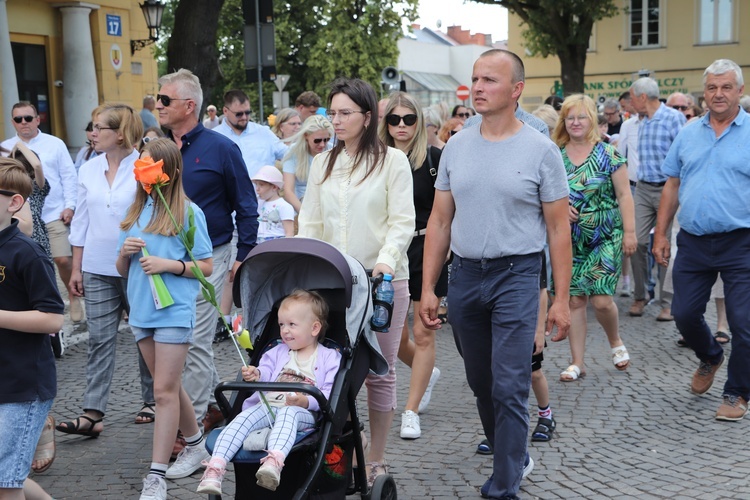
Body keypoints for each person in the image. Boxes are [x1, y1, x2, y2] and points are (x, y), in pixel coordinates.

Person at [419, 49, 572, 499]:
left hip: (518, 274)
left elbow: (559, 229)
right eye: (475, 79)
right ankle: (515, 453)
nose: (478, 88)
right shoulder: (457, 147)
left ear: (516, 90)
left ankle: (503, 484)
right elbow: (440, 221)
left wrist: (560, 298)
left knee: (509, 383)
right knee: (481, 382)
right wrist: (429, 287)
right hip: (465, 275)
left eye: (489, 80)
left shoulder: (542, 151)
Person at [298, 77, 415, 485]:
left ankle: (377, 458)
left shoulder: (392, 161)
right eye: (333, 113)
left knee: (379, 371)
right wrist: (306, 271)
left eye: (345, 113)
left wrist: (383, 262)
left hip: (383, 282)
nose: (336, 120)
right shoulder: (322, 163)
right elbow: (310, 222)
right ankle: (339, 453)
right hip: (336, 284)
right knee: (334, 372)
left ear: (367, 117)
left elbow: (402, 223)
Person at [155, 69, 258, 459]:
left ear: (189, 105)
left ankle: (192, 429)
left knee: (192, 339)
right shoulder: (156, 150)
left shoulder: (221, 148)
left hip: (209, 256)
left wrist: (242, 256)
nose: (158, 105)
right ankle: (216, 405)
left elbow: (246, 206)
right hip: (165, 259)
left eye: (165, 100)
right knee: (175, 338)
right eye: (158, 99)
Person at [653, 59, 750, 422]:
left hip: (742, 241)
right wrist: (661, 233)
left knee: (744, 323)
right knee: (683, 313)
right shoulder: (688, 132)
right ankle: (710, 355)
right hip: (692, 240)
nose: (719, 94)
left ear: (739, 90)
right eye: (712, 87)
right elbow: (672, 184)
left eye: (726, 87)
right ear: (704, 92)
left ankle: (737, 392)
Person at [117, 139, 214, 500]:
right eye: (139, 167)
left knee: (162, 391)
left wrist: (169, 265)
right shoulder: (133, 212)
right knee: (168, 385)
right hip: (141, 312)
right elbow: (120, 268)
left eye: (148, 167)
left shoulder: (188, 213)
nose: (141, 173)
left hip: (173, 311)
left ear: (167, 172)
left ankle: (155, 475)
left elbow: (206, 267)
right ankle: (196, 444)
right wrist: (124, 254)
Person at [57, 103, 156, 436]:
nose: (93, 133)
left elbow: (157, 215)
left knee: (145, 333)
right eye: (92, 126)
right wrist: (76, 269)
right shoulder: (88, 168)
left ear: (121, 132)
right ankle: (93, 412)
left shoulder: (144, 166)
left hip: (137, 264)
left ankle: (152, 400)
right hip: (97, 266)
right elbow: (81, 222)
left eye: (100, 127)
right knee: (100, 339)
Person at [196, 290, 341, 494]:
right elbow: (266, 372)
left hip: (303, 412)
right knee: (242, 419)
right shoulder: (276, 351)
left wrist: (306, 401)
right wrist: (256, 374)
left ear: (314, 328)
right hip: (269, 404)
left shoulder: (328, 357)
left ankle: (273, 462)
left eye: (292, 324)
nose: (285, 330)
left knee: (288, 413)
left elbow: (327, 393)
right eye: (281, 324)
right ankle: (215, 468)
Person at [551, 94, 636, 381]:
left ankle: (615, 340)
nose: (575, 122)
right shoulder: (554, 155)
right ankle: (577, 362)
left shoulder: (609, 154)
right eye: (570, 117)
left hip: (605, 235)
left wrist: (630, 232)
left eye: (581, 117)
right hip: (568, 240)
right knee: (575, 301)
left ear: (592, 120)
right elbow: (543, 195)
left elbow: (625, 196)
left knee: (600, 300)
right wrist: (560, 210)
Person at [378, 91, 445, 440]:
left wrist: (446, 249)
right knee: (393, 335)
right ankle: (426, 371)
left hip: (425, 247)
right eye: (394, 119)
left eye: (409, 119)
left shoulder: (434, 158)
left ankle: (410, 410)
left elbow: (449, 211)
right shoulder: (375, 159)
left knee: (423, 331)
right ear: (384, 123)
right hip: (388, 252)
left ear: (419, 122)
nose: (401, 126)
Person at [0, 158, 64, 500]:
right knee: (6, 474)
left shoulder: (27, 253)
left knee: (5, 481)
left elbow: (53, 319)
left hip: (23, 385)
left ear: (14, 202)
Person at [1, 101, 80, 323]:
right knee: (27, 266)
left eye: (28, 118)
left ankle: (73, 297)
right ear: (12, 122)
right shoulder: (5, 146)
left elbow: (68, 175)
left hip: (52, 212)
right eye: (18, 119)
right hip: (18, 218)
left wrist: (70, 205)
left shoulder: (55, 143)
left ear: (38, 119)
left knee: (63, 260)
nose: (23, 123)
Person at [628, 77, 685, 320]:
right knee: (636, 242)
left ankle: (668, 302)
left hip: (667, 188)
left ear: (642, 97)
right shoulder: (640, 120)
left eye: (632, 97)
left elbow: (684, 154)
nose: (630, 102)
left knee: (664, 243)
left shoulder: (673, 118)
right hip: (642, 188)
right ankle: (641, 295)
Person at [281, 115, 334, 214]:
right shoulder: (293, 151)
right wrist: (304, 213)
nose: (322, 144)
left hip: (328, 206)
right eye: (317, 140)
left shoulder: (332, 151)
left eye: (326, 139)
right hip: (301, 205)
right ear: (306, 135)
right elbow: (288, 191)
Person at [10, 142, 50, 258]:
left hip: (36, 239)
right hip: (14, 235)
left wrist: (19, 145)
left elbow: (37, 165)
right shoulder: (10, 187)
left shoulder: (36, 186)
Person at [251, 165, 295, 243]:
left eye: (261, 185)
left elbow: (289, 232)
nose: (257, 189)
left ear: (274, 187)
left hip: (276, 243)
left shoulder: (284, 206)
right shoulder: (258, 203)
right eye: (256, 184)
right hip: (258, 242)